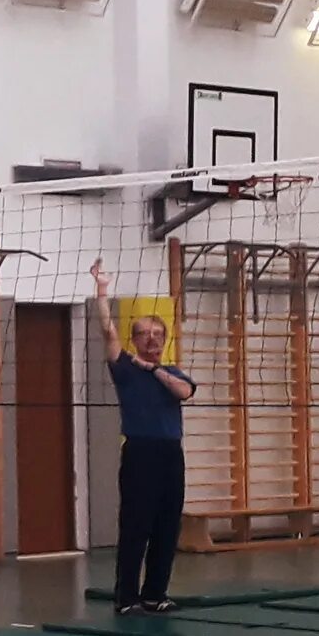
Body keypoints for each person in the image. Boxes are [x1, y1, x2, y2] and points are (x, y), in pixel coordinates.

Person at [91, 260, 196, 615]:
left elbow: (183, 393)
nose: (151, 340)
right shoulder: (124, 368)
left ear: (164, 340)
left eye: (157, 335)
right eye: (144, 334)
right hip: (139, 453)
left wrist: (154, 369)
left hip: (170, 455)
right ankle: (127, 597)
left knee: (167, 525)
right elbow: (107, 331)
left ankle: (155, 594)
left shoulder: (172, 372)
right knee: (136, 525)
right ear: (135, 340)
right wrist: (102, 291)